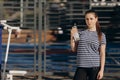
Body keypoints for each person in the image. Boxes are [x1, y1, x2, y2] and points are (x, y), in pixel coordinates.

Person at [71, 10, 106, 80]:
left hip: (95, 67)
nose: (89, 21)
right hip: (81, 66)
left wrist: (101, 70)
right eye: (87, 19)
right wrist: (72, 35)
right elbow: (74, 49)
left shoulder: (101, 35)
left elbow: (102, 53)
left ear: (96, 19)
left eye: (91, 19)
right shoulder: (80, 34)